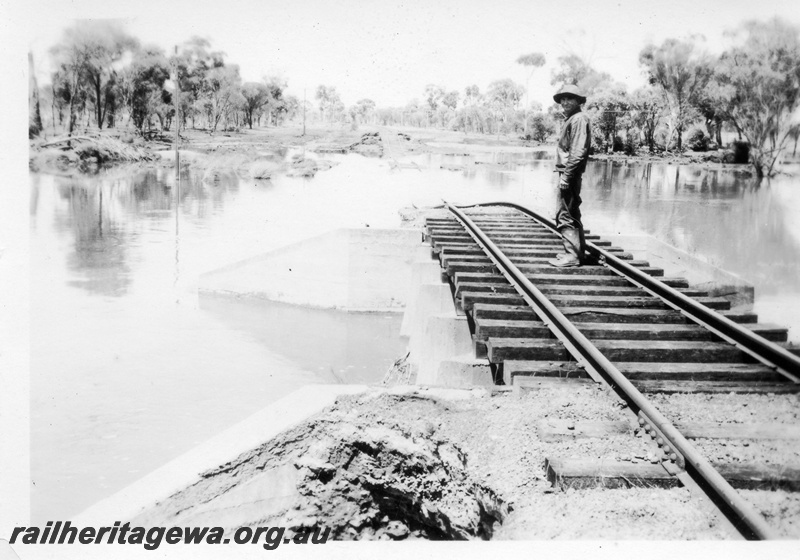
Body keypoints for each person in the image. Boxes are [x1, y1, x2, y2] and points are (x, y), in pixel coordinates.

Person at [549, 84, 591, 267]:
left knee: (564, 214)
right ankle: (577, 253)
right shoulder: (573, 118)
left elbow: (578, 151)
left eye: (570, 98)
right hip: (568, 172)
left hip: (569, 173)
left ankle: (572, 256)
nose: (565, 102)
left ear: (578, 101)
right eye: (563, 99)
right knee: (572, 211)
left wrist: (566, 176)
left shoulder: (579, 119)